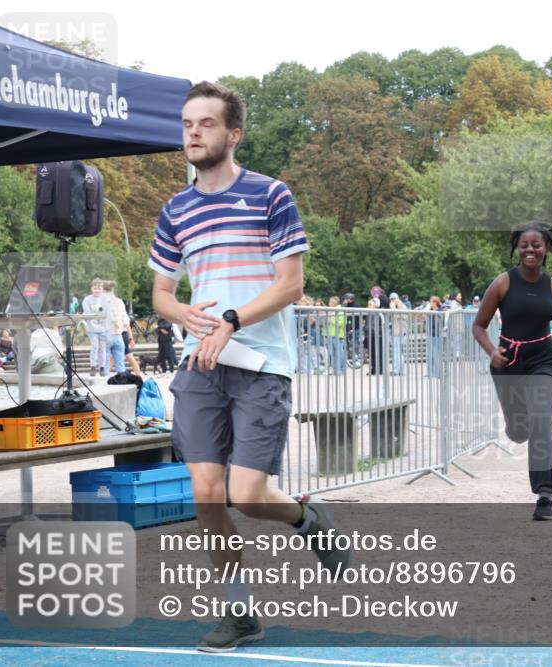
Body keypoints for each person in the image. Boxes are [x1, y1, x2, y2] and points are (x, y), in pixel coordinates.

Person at [149, 81, 348, 653]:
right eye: (187, 123)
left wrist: (231, 319)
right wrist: (180, 310)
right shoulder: (176, 209)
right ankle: (240, 615)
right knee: (208, 494)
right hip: (202, 364)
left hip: (262, 361)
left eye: (206, 123)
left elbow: (292, 285)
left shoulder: (270, 195)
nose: (193, 132)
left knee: (248, 494)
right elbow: (161, 291)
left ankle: (309, 519)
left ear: (232, 134)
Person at [472, 222, 552, 522]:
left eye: (536, 245)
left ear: (546, 248)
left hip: (543, 360)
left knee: (540, 422)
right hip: (508, 363)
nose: (530, 250)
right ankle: (515, 425)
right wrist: (491, 351)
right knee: (520, 430)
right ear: (517, 248)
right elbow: (479, 325)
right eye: (525, 245)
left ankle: (545, 494)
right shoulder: (503, 283)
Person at [82, 278, 110, 376]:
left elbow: (108, 311)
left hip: (103, 327)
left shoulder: (106, 299)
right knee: (95, 346)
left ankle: (102, 367)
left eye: (99, 288)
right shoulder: (87, 299)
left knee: (102, 347)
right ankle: (93, 366)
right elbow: (87, 312)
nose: (97, 290)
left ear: (102, 289)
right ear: (91, 289)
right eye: (95, 288)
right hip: (92, 327)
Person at [101, 280, 126, 375]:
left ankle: (105, 383)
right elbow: (124, 317)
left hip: (106, 334)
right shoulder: (119, 301)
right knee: (120, 364)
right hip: (118, 334)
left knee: (105, 364)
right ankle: (122, 379)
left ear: (103, 289)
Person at [389, 292, 408, 375]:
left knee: (399, 352)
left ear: (398, 298)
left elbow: (401, 316)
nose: (393, 301)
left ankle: (399, 370)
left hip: (401, 332)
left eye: (394, 299)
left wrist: (393, 308)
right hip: (395, 332)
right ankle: (398, 369)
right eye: (391, 299)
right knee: (397, 352)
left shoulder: (403, 306)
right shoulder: (395, 307)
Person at [426, 296, 444, 378]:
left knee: (436, 354)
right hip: (430, 334)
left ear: (435, 302)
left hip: (437, 335)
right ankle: (430, 372)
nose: (430, 303)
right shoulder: (430, 311)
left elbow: (439, 323)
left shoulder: (440, 311)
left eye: (431, 302)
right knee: (430, 354)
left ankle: (437, 372)